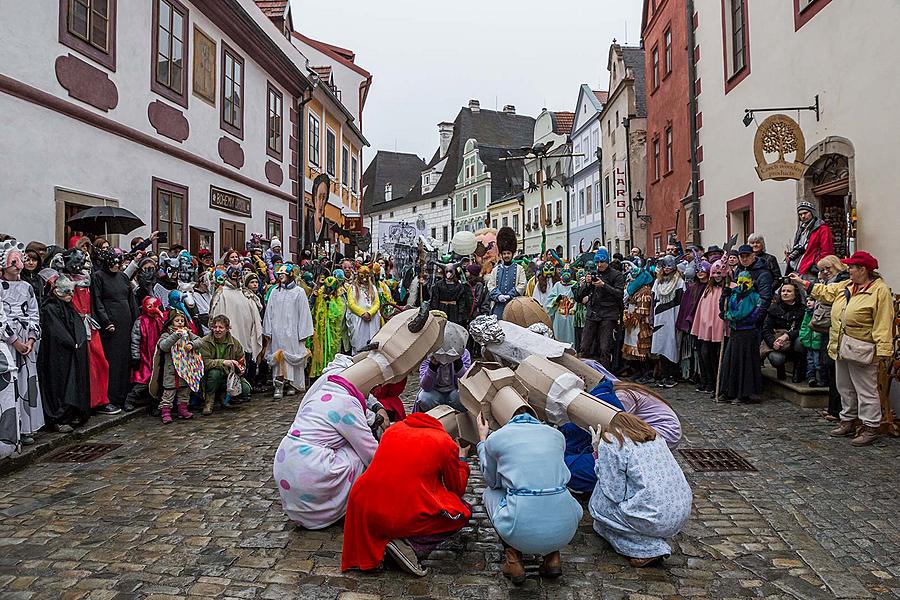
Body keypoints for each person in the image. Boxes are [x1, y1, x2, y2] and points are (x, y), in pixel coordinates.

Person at [792, 251, 894, 446]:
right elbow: (826, 292)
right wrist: (802, 283)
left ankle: (870, 426)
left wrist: (883, 351)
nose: (849, 270)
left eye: (852, 268)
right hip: (841, 344)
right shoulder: (847, 285)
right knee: (845, 386)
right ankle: (848, 420)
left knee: (866, 389)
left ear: (863, 270)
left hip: (863, 347)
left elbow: (883, 323)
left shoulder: (879, 291)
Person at [476, 409, 582, 584]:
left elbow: (492, 481)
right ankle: (552, 557)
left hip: (521, 522)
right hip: (567, 526)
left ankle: (514, 560)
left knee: (489, 493)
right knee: (552, 488)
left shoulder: (497, 438)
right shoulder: (556, 435)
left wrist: (482, 441)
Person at [588, 412, 692, 568]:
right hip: (680, 510)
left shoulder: (611, 442)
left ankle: (650, 548)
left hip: (655, 516)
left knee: (597, 506)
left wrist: (597, 454)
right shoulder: (655, 436)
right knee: (600, 526)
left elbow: (613, 492)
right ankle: (642, 538)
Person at [53, 249, 114, 414]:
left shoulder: (87, 280)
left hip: (90, 326)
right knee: (83, 366)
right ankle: (85, 402)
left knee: (100, 363)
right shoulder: (61, 281)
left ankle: (100, 399)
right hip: (74, 327)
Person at [0, 241, 44, 445]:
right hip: (9, 342)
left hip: (27, 339)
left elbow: (34, 312)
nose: (19, 265)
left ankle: (27, 426)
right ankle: (12, 427)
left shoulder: (27, 287)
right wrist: (14, 340)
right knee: (11, 383)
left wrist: (32, 337)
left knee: (28, 382)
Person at [38, 277, 90, 432]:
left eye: (71, 291)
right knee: (60, 384)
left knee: (73, 382)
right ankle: (58, 417)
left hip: (72, 353)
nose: (70, 294)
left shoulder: (68, 307)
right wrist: (69, 342)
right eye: (65, 291)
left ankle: (72, 413)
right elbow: (55, 330)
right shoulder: (50, 308)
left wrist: (77, 342)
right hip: (58, 355)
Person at [92, 249, 137, 411]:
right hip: (111, 326)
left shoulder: (123, 277)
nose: (116, 266)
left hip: (126, 323)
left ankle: (123, 396)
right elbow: (97, 301)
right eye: (114, 263)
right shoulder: (98, 277)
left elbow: (130, 300)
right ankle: (110, 397)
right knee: (113, 362)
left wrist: (135, 320)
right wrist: (106, 321)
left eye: (119, 263)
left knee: (125, 361)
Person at [262, 264, 314, 399]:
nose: (280, 277)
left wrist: (303, 333)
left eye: (283, 274)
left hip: (293, 331)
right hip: (278, 331)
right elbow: (269, 312)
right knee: (279, 356)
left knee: (293, 355)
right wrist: (268, 330)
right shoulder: (274, 292)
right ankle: (279, 384)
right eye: (279, 274)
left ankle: (292, 383)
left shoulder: (299, 292)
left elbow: (304, 313)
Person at [810, 255, 850, 421]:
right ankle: (834, 408)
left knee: (836, 372)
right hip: (826, 330)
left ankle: (838, 410)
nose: (825, 272)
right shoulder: (828, 282)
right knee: (829, 368)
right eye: (822, 269)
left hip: (835, 330)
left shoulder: (841, 282)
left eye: (828, 268)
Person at [209, 266, 263, 388]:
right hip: (230, 338)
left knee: (245, 364)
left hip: (246, 337)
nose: (235, 280)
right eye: (233, 277)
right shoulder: (221, 294)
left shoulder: (245, 294)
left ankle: (245, 388)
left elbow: (255, 314)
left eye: (238, 277)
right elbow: (216, 316)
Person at [719, 271, 765, 404]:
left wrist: (730, 317)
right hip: (735, 334)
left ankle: (743, 393)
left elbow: (751, 316)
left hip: (748, 335)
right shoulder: (733, 295)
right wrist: (723, 297)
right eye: (740, 282)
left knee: (745, 364)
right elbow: (723, 309)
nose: (742, 285)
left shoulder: (756, 298)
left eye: (746, 282)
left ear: (751, 283)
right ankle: (728, 391)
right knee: (731, 362)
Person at [574, 248, 625, 367]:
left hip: (608, 314)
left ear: (607, 261)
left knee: (604, 348)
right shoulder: (593, 274)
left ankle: (606, 375)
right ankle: (585, 372)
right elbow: (578, 297)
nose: (599, 265)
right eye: (597, 262)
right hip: (592, 314)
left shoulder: (616, 275)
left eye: (602, 262)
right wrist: (586, 284)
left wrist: (604, 285)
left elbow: (619, 294)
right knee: (584, 347)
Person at [149, 310, 200, 424]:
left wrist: (192, 344)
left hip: (185, 369)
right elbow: (164, 346)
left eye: (182, 321)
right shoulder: (166, 335)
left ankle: (182, 409)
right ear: (171, 322)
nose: (180, 323)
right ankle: (166, 412)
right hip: (171, 370)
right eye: (177, 321)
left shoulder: (188, 333)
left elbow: (199, 341)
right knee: (169, 392)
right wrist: (175, 336)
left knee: (184, 391)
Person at [197, 314, 251, 415]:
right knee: (215, 373)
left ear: (227, 329)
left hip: (229, 375)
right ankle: (209, 402)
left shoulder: (235, 343)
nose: (217, 330)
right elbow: (204, 363)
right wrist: (223, 362)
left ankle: (224, 396)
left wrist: (239, 368)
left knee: (246, 389)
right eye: (215, 327)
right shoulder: (205, 342)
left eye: (221, 327)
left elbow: (242, 361)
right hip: (209, 376)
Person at [414, 322, 471, 413]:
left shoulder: (464, 354)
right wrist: (432, 368)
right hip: (434, 392)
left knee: (461, 398)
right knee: (424, 398)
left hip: (454, 391)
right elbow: (425, 386)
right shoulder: (428, 355)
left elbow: (466, 384)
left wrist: (458, 364)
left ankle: (459, 420)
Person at [691, 259, 729, 394]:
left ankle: (720, 384)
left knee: (720, 356)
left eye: (720, 273)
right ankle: (709, 381)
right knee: (706, 354)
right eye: (716, 273)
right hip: (707, 329)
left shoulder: (730, 288)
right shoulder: (708, 289)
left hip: (723, 329)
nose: (718, 276)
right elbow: (702, 309)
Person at [125, 296, 165, 413]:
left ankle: (154, 404)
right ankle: (130, 399)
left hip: (156, 355)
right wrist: (135, 356)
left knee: (156, 381)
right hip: (144, 357)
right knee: (143, 380)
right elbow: (135, 340)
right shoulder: (140, 321)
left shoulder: (159, 320)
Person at [761, 281, 807, 382]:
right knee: (776, 359)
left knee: (800, 341)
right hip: (777, 342)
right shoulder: (773, 309)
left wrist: (787, 335)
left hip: (793, 342)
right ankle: (780, 369)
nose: (785, 293)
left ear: (795, 294)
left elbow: (802, 329)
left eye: (789, 291)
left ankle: (797, 370)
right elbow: (766, 330)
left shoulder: (802, 310)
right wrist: (773, 342)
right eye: (783, 291)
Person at [650, 256, 685, 389]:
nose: (667, 268)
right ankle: (664, 374)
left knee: (672, 345)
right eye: (665, 266)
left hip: (673, 317)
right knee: (661, 346)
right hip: (659, 317)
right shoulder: (657, 283)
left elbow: (682, 302)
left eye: (669, 266)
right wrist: (651, 317)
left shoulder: (679, 282)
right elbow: (653, 300)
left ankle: (672, 375)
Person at [308, 276, 346, 378]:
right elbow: (311, 308)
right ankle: (320, 370)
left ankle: (332, 370)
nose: (328, 290)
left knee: (332, 348)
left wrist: (330, 302)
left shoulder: (340, 295)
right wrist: (315, 297)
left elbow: (339, 313)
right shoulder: (319, 293)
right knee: (320, 347)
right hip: (320, 328)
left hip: (333, 330)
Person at [786, 201, 835, 279]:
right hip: (797, 269)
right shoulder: (801, 229)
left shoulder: (822, 229)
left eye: (805, 213)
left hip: (810, 270)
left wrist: (817, 266)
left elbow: (826, 251)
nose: (803, 216)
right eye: (800, 214)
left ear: (812, 213)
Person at [623, 261, 654, 381]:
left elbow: (644, 310)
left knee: (642, 348)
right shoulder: (635, 290)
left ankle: (646, 372)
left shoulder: (645, 291)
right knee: (634, 347)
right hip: (632, 322)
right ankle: (638, 371)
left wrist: (631, 317)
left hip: (640, 324)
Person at [487, 227, 526, 319]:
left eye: (508, 253)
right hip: (498, 306)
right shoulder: (495, 270)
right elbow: (490, 285)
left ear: (512, 254)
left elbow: (522, 284)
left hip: (514, 305)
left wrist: (510, 295)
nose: (506, 256)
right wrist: (498, 295)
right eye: (504, 254)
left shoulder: (520, 269)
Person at [346, 265, 381, 354]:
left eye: (366, 276)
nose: (364, 279)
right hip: (358, 320)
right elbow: (351, 304)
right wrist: (362, 313)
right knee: (359, 345)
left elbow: (377, 303)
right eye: (362, 276)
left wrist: (370, 313)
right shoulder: (352, 288)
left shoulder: (373, 288)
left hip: (372, 320)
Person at [736, 244, 774, 319]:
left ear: (753, 255)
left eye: (747, 256)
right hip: (739, 314)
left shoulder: (763, 273)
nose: (744, 259)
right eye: (742, 256)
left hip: (754, 317)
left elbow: (765, 298)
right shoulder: (738, 270)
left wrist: (754, 316)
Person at [545, 264, 578, 345]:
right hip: (559, 317)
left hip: (572, 316)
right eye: (564, 271)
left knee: (572, 336)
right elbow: (549, 301)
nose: (566, 273)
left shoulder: (576, 285)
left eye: (568, 271)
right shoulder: (557, 285)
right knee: (559, 337)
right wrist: (557, 299)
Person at [799, 294, 825, 387]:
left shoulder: (819, 313)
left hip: (817, 342)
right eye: (807, 301)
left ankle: (820, 378)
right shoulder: (807, 313)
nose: (808, 302)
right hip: (809, 342)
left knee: (817, 361)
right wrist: (803, 336)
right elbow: (804, 325)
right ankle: (811, 377)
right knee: (810, 361)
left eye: (811, 300)